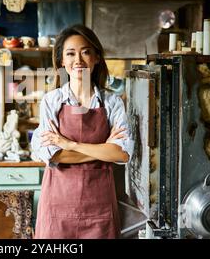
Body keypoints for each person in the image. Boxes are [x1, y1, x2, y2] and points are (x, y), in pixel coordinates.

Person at [31, 24, 134, 239]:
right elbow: (53, 155)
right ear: (62, 62)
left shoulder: (112, 102)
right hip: (57, 207)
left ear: (96, 57)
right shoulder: (52, 101)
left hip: (99, 208)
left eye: (85, 52)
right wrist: (103, 150)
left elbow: (122, 154)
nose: (78, 60)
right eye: (70, 54)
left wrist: (71, 145)